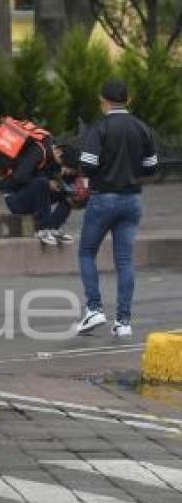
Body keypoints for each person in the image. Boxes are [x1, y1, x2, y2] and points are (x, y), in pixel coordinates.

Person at [75, 79, 158, 337]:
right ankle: (123, 322)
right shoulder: (141, 128)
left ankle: (94, 309)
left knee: (87, 252)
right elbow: (152, 166)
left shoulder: (100, 128)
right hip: (132, 200)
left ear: (103, 100)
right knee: (124, 261)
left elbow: (87, 165)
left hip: (103, 198)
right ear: (128, 99)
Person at [1, 135, 75, 245]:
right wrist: (48, 183)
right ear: (58, 152)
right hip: (15, 198)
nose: (64, 169)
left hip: (34, 196)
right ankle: (42, 229)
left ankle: (53, 228)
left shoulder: (54, 160)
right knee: (42, 182)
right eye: (63, 165)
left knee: (69, 194)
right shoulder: (38, 152)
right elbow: (19, 177)